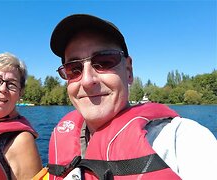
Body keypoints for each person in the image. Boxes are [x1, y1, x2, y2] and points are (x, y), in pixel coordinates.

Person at [41, 14, 217, 180]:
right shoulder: (62, 135)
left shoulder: (183, 140)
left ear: (128, 70)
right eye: (74, 69)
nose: (87, 80)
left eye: (104, 62)